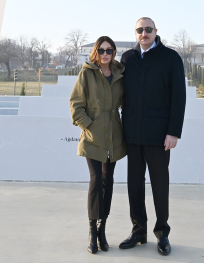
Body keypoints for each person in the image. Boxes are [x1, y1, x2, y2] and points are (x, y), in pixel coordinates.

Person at [118, 17, 186, 256]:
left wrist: (173, 132)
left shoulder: (170, 58)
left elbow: (179, 96)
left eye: (148, 29)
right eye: (140, 30)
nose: (144, 33)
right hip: (133, 134)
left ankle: (162, 233)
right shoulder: (127, 58)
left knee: (160, 185)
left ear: (156, 31)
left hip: (159, 136)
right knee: (134, 185)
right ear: (135, 33)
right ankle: (138, 230)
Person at [70, 36, 126, 254]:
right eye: (101, 50)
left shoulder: (120, 75)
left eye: (109, 50)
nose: (105, 54)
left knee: (107, 180)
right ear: (95, 52)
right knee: (95, 179)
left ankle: (103, 229)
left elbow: (126, 102)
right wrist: (88, 126)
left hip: (114, 135)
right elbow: (76, 104)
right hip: (93, 136)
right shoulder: (87, 73)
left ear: (114, 52)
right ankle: (92, 230)